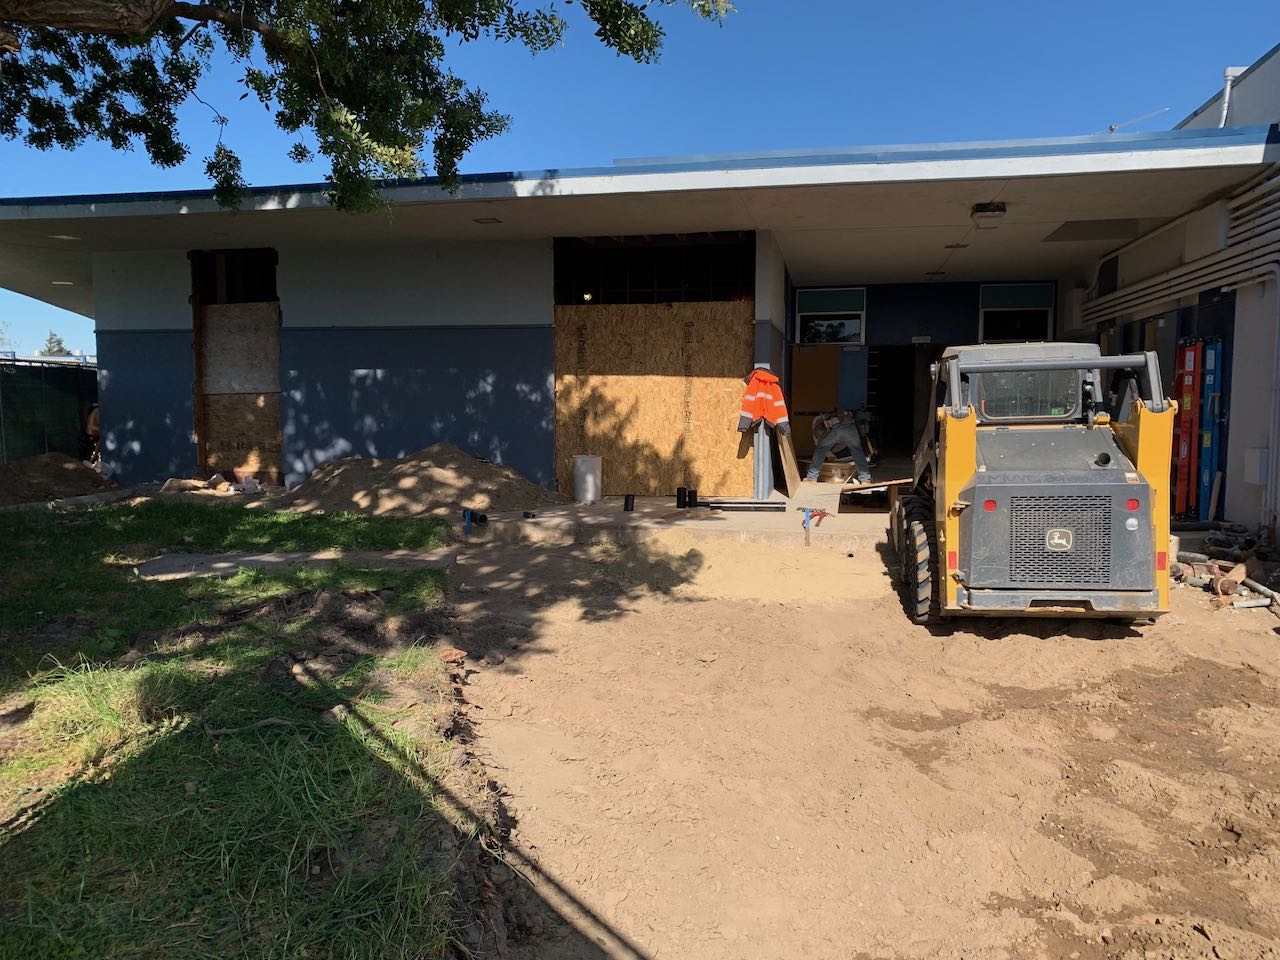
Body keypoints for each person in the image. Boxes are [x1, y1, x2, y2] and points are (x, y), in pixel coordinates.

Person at [806, 410, 871, 483]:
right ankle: (865, 479)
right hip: (850, 426)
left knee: (821, 450)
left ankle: (811, 478)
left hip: (835, 425)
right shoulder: (850, 406)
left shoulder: (831, 408)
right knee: (857, 451)